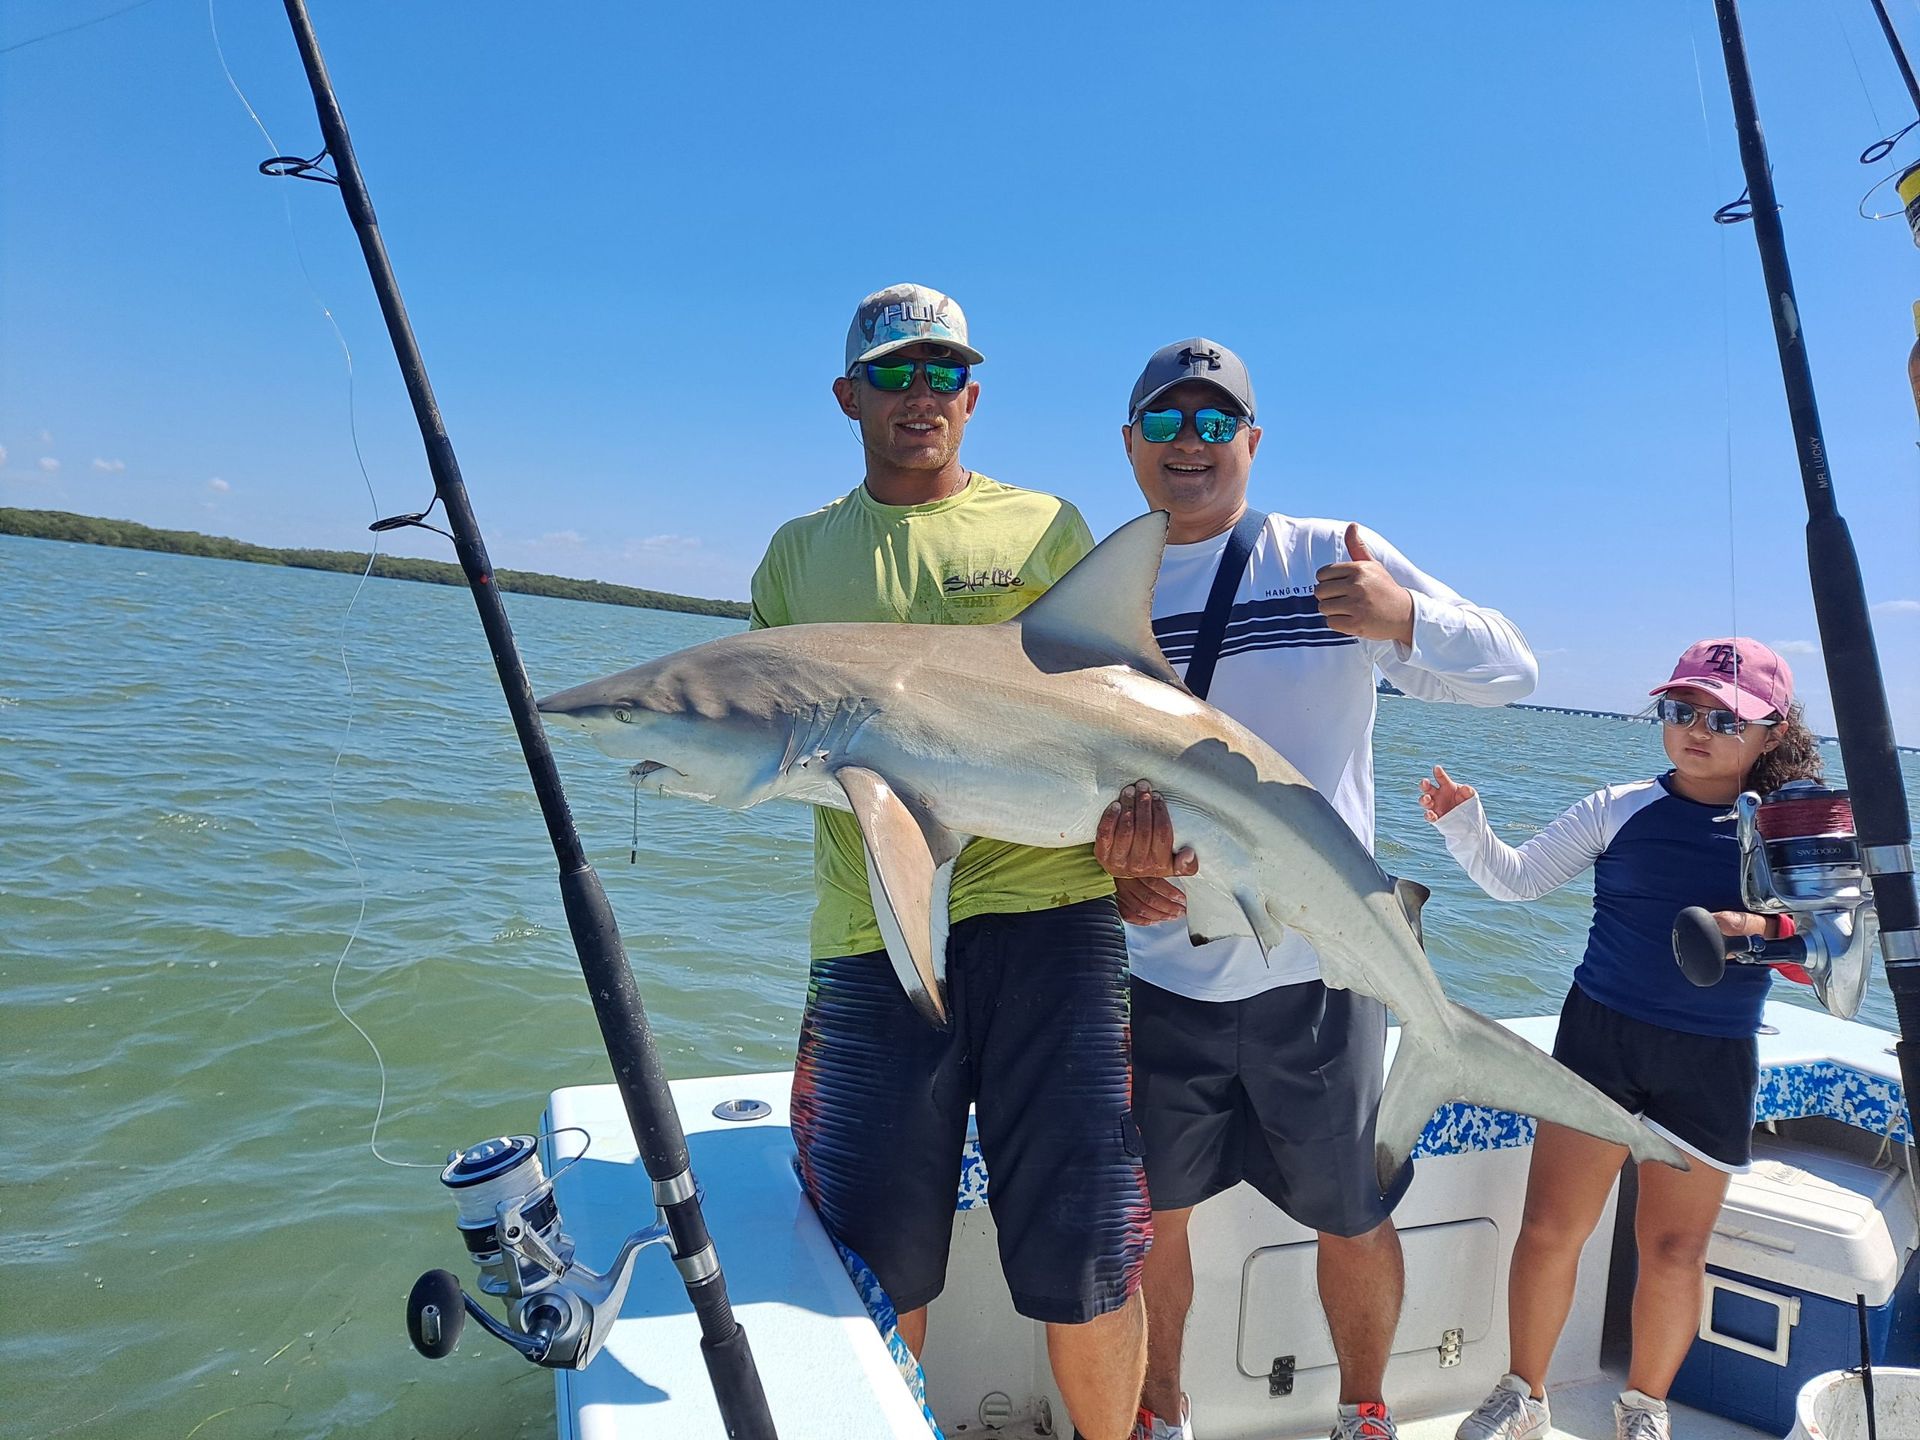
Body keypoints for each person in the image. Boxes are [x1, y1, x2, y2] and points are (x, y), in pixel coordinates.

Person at [1094, 338, 1539, 1440]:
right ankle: (1162, 1418)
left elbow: (1514, 670)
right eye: (1165, 422)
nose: (1188, 444)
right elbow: (1071, 773)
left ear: (1252, 440)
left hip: (1324, 969)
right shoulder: (1105, 589)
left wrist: (1402, 620)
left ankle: (1366, 1414)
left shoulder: (1320, 556)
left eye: (1213, 422)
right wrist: (1117, 881)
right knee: (1160, 1221)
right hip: (1165, 972)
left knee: (1352, 1213)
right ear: (1130, 444)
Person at [749, 284, 1149, 1440]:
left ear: (973, 395)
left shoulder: (1046, 531)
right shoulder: (795, 558)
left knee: (1089, 1249)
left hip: (1056, 925)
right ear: (847, 396)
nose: (918, 395)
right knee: (874, 1261)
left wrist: (1149, 852)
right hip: (871, 934)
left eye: (941, 373)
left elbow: (1128, 708)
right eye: (892, 374)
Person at [1420, 638, 1822, 1440]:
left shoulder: (1788, 834)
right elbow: (1518, 879)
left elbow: (1824, 955)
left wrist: (1761, 927)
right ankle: (1523, 1396)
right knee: (1550, 1229)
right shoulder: (1618, 806)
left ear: (1774, 731)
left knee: (1673, 1249)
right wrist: (1466, 824)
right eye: (1680, 710)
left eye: (1722, 717)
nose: (1695, 730)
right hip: (1601, 1038)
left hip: (1712, 1058)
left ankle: (1643, 1409)